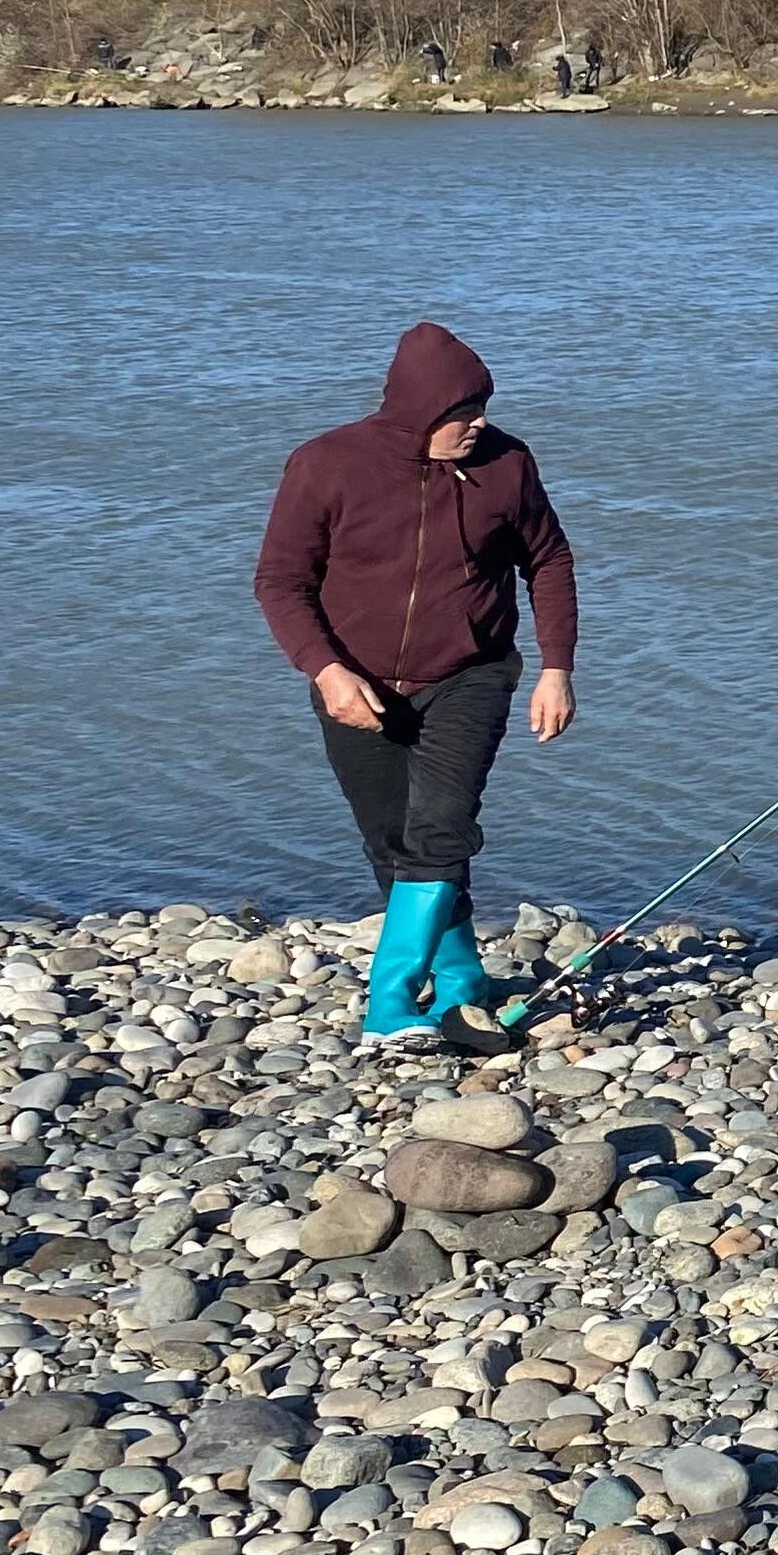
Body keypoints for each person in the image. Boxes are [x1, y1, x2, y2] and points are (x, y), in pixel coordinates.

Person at [252, 323, 583, 1052]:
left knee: (441, 829)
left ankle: (390, 1003)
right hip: (354, 683)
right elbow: (280, 582)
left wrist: (556, 667)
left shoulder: (506, 465)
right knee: (392, 840)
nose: (480, 424)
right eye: (464, 411)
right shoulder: (325, 465)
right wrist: (326, 669)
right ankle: (462, 987)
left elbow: (549, 560)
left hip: (471, 674)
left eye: (484, 407)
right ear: (419, 411)